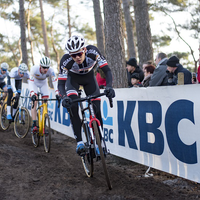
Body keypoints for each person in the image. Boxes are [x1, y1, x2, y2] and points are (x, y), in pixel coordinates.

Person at [58, 35, 115, 156]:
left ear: (84, 49)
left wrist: (109, 86)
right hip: (73, 81)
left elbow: (107, 71)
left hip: (90, 79)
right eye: (73, 55)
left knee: (97, 110)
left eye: (79, 53)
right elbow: (61, 84)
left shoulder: (93, 52)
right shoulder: (65, 61)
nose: (77, 57)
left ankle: (100, 142)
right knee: (73, 106)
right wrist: (64, 97)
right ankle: (79, 142)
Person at [29, 56, 61, 133]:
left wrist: (57, 93)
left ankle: (43, 125)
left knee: (45, 103)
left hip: (44, 83)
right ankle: (34, 124)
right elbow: (31, 82)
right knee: (35, 102)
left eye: (47, 67)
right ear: (40, 66)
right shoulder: (34, 69)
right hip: (35, 84)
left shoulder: (51, 71)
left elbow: (55, 82)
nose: (46, 69)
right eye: (44, 67)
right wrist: (33, 93)